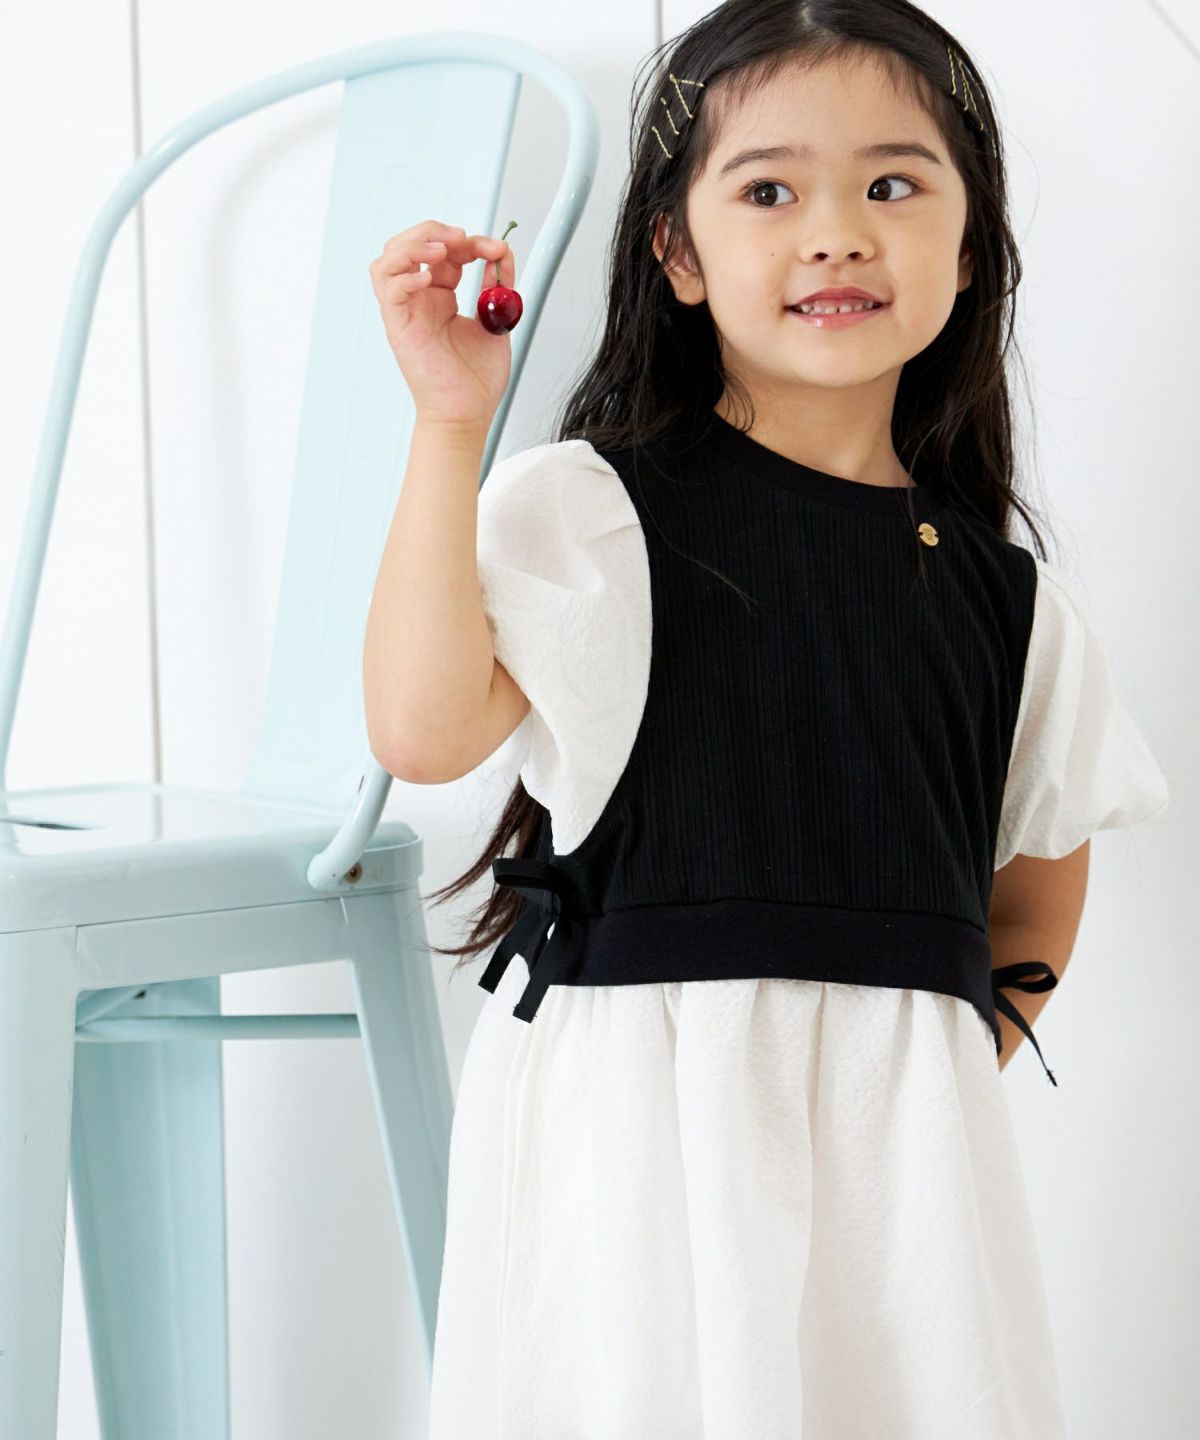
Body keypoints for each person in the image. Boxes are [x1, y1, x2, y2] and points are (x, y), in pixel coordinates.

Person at [364, 3, 1171, 1436]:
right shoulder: (594, 513)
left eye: (894, 184)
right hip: (639, 1151)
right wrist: (448, 425)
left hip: (905, 1173)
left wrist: (918, 1063)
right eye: (770, 191)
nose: (838, 233)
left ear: (970, 245)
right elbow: (422, 735)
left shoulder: (1006, 600)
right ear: (677, 254)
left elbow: (1041, 877)